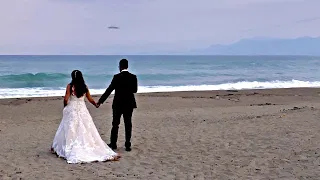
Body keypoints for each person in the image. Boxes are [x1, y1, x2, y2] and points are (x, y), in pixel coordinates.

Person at [51, 70, 120, 164]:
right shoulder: (84, 87)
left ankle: (66, 146)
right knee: (86, 128)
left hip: (72, 109)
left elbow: (66, 98)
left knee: (69, 128)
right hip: (82, 109)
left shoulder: (70, 86)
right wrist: (96, 104)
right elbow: (89, 98)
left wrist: (65, 106)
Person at [97, 59, 138, 151]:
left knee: (115, 124)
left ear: (120, 66)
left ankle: (113, 144)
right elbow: (135, 90)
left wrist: (100, 101)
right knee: (128, 124)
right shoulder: (133, 77)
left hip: (118, 103)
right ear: (127, 66)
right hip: (129, 103)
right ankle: (128, 145)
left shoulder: (116, 77)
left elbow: (109, 90)